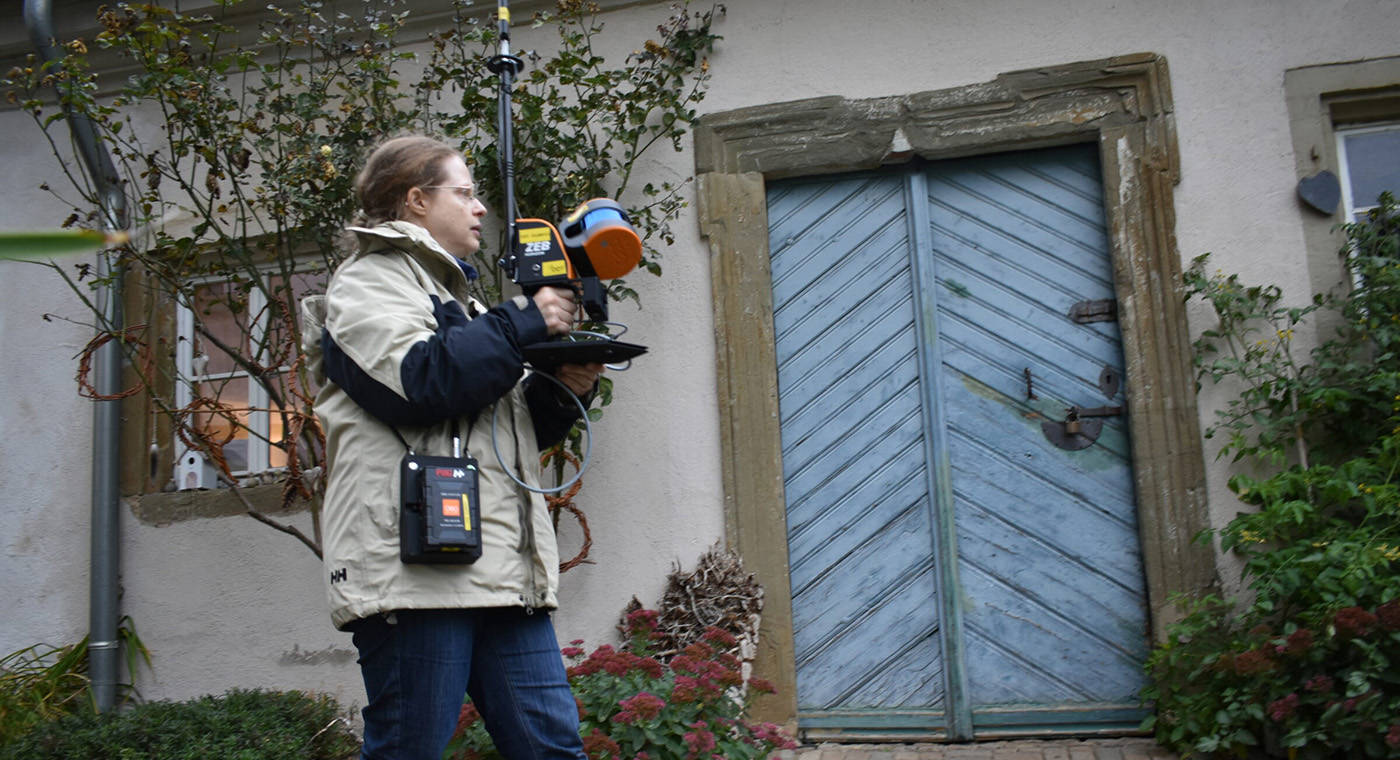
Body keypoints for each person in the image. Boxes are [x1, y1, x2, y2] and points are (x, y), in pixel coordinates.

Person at [300, 134, 601, 760]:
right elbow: (420, 383)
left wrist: (560, 389)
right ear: (415, 200)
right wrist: (523, 320)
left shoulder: (459, 303)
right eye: (463, 193)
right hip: (414, 573)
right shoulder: (367, 283)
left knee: (553, 750)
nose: (480, 208)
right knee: (407, 751)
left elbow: (504, 432)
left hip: (500, 570)